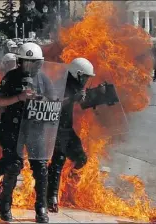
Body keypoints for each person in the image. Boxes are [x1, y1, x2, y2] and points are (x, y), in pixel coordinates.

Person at [0, 43, 54, 223]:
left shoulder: (43, 79)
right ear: (20, 62)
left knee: (41, 168)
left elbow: (54, 101)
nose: (30, 67)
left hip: (36, 128)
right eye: (27, 63)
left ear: (40, 64)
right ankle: (4, 207)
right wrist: (19, 97)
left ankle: (41, 207)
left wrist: (43, 99)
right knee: (13, 166)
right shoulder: (11, 77)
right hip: (13, 128)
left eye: (34, 63)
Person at [47, 58, 95, 213]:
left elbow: (83, 103)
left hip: (66, 129)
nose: (87, 80)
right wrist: (73, 98)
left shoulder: (76, 86)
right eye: (86, 77)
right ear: (77, 74)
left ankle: (68, 188)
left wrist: (98, 95)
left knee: (80, 158)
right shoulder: (61, 83)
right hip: (55, 128)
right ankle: (51, 196)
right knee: (58, 161)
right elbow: (53, 103)